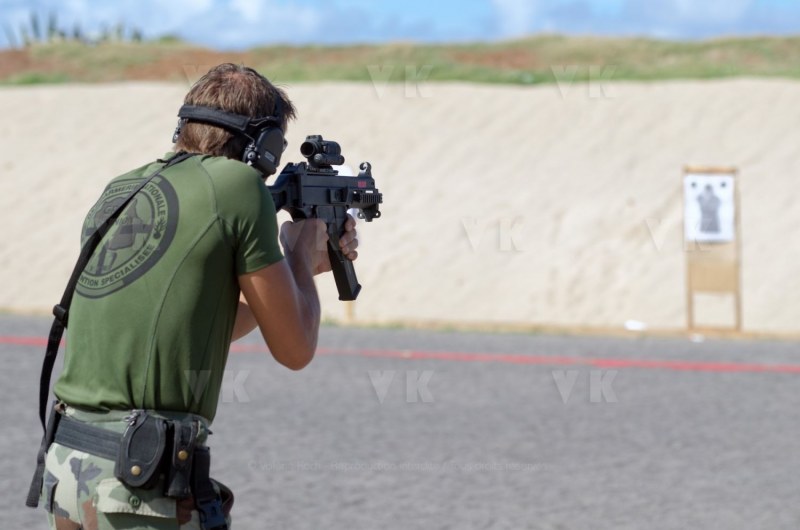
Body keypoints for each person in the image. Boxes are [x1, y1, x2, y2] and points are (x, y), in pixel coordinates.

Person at [34, 63, 359, 529]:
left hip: (68, 467)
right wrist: (301, 258)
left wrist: (296, 272)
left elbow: (196, 327)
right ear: (266, 147)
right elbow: (295, 350)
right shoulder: (239, 186)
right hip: (135, 483)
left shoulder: (123, 187)